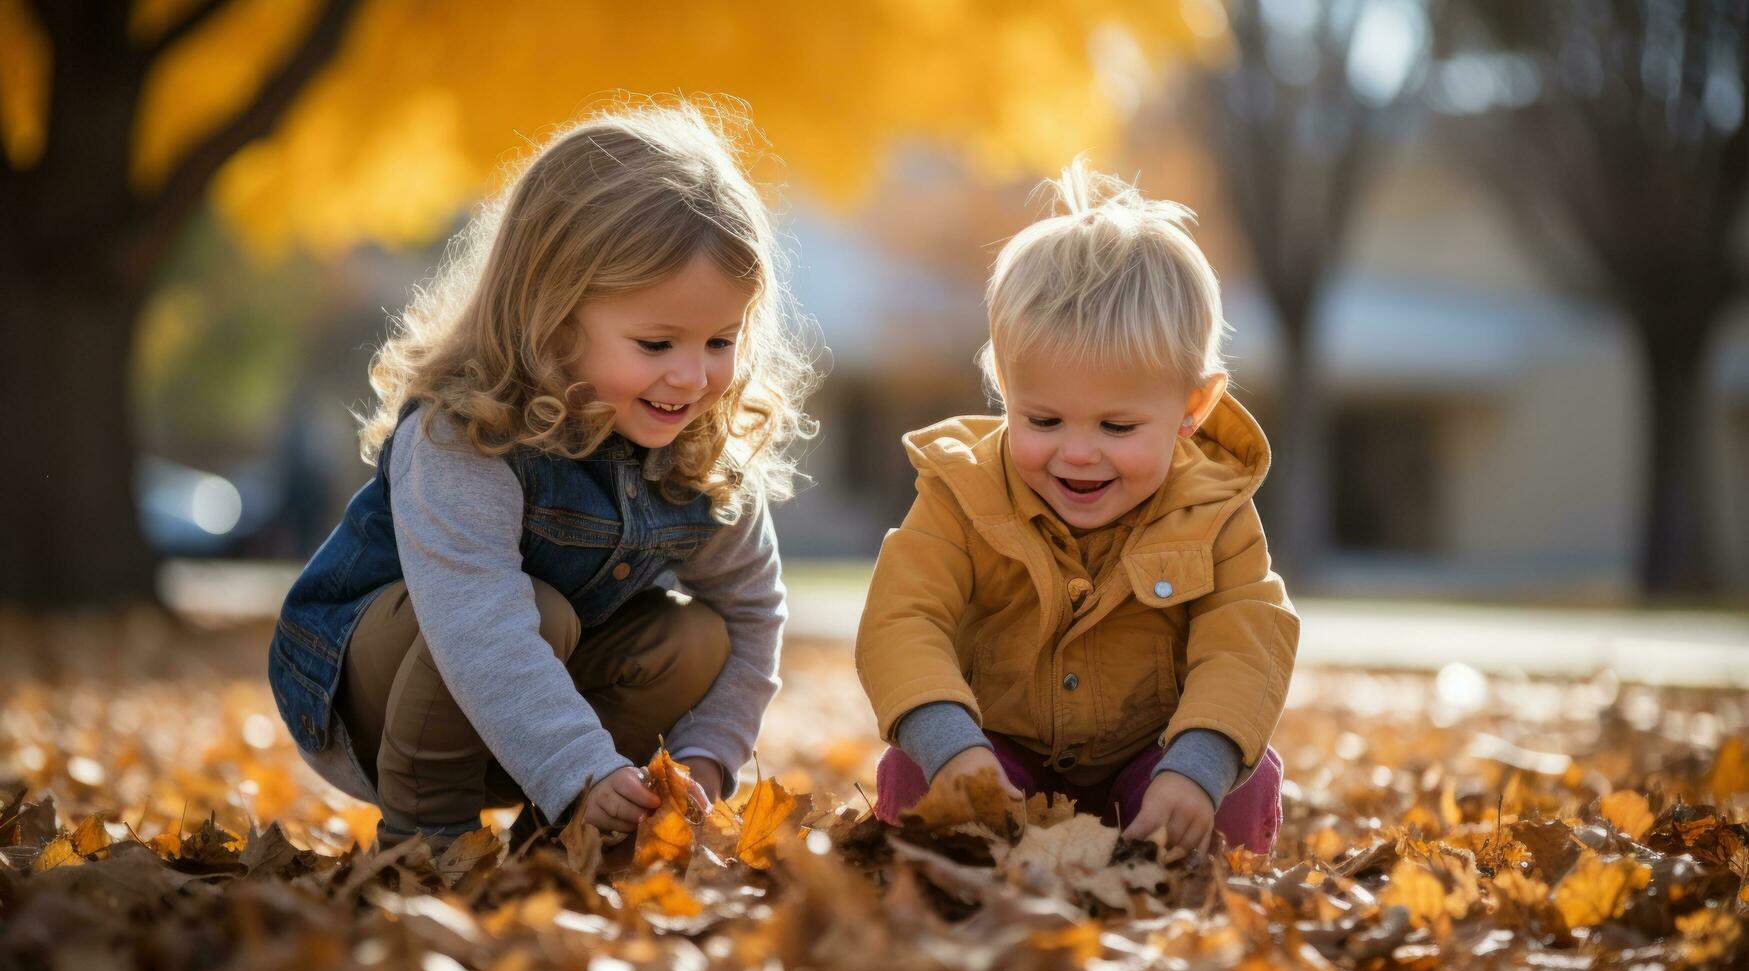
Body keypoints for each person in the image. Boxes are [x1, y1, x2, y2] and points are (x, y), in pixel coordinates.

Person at [267, 100, 816, 848]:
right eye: (656, 343)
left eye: (721, 339)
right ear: (551, 318)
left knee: (695, 637)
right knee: (537, 610)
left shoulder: (698, 448)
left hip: (539, 729)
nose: (692, 376)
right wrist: (579, 767)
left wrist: (705, 760)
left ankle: (567, 840)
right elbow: (480, 624)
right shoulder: (465, 433)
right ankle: (428, 844)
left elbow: (755, 617)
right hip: (369, 707)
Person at [856, 160, 1295, 853]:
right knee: (915, 771)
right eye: (1044, 421)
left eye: (1116, 428)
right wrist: (951, 745)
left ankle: (1174, 881)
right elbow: (902, 619)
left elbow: (1244, 644)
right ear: (1004, 385)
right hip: (999, 757)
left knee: (1245, 781)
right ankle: (955, 876)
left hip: (1150, 760)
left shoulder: (1214, 511)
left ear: (1192, 407)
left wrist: (1196, 767)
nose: (1078, 453)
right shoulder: (959, 492)